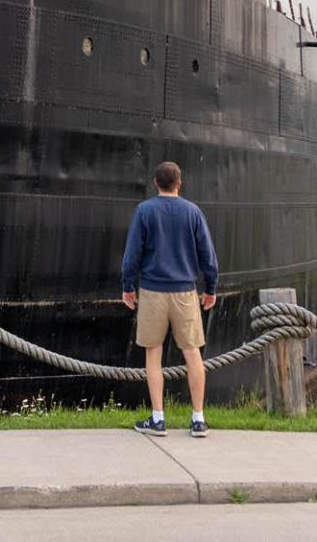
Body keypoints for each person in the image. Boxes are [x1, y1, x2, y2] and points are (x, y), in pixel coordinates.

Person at [120, 160, 219, 437]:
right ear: (179, 183)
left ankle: (158, 418)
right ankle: (198, 419)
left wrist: (128, 286)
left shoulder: (144, 211)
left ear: (155, 183)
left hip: (152, 291)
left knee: (153, 354)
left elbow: (132, 255)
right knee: (193, 354)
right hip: (185, 292)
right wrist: (210, 288)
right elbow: (207, 256)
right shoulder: (193, 212)